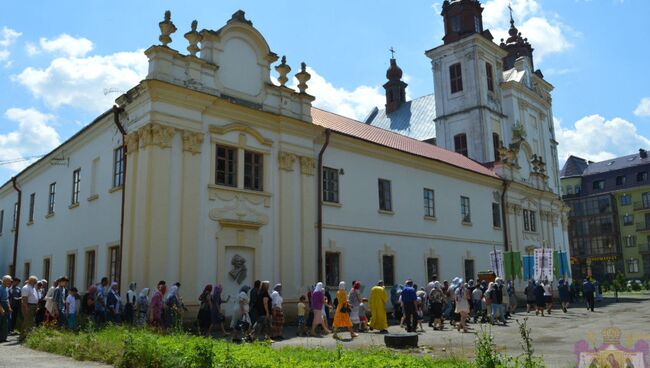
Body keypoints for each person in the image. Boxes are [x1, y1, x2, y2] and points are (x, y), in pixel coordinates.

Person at [20, 276, 39, 341]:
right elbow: (24, 299)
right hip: (28, 306)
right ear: (31, 281)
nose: (36, 283)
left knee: (30, 322)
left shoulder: (32, 288)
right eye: (35, 282)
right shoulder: (26, 288)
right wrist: (26, 308)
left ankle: (25, 336)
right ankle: (24, 337)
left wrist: (36, 306)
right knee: (28, 322)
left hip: (33, 306)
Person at [0, 275, 12, 342]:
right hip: (1, 305)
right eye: (8, 281)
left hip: (6, 305)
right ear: (4, 281)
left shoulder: (7, 288)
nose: (9, 282)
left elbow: (7, 299)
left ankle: (3, 338)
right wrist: (1, 309)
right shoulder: (0, 288)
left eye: (10, 281)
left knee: (5, 323)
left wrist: (9, 307)